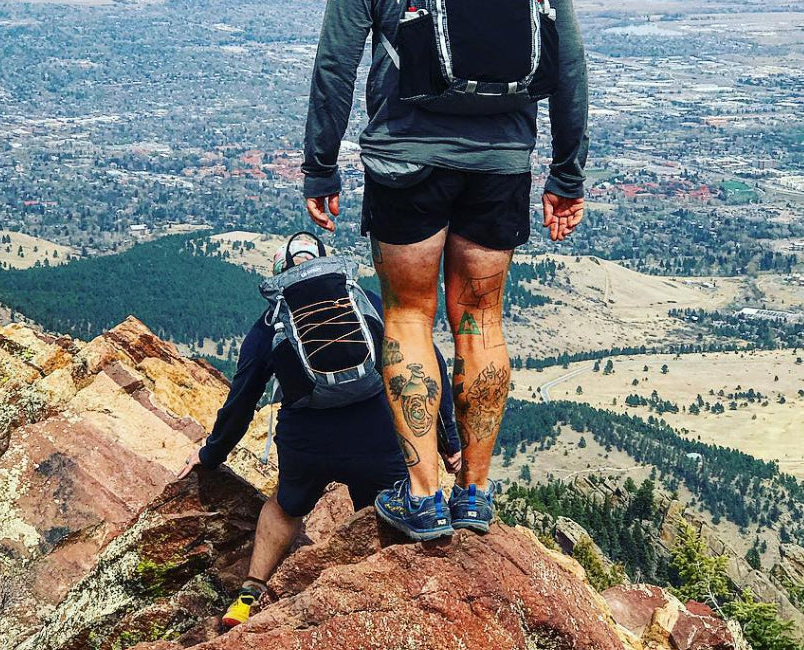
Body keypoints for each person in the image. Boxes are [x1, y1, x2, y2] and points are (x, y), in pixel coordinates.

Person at [301, 0, 589, 540]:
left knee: (409, 317)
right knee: (481, 319)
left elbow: (334, 66)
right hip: (502, 163)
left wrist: (320, 166)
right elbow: (569, 64)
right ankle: (474, 493)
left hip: (405, 162)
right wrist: (566, 174)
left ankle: (424, 495)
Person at [178, 236, 461, 627]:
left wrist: (211, 455)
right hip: (377, 436)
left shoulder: (271, 323)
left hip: (306, 443)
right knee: (380, 513)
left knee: (284, 507)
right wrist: (450, 440)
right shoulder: (364, 303)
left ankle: (248, 595)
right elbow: (428, 362)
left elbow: (242, 401)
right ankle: (379, 605)